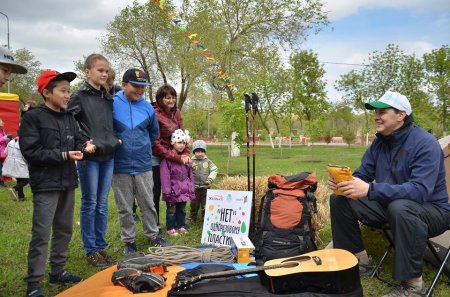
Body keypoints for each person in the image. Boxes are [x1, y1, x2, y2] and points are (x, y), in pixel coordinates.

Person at [327, 91, 450, 297]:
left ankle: (413, 286)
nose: (376, 116)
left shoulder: (425, 143)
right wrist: (346, 183)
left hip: (434, 212)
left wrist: (370, 189)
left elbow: (419, 191)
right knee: (340, 199)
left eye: (382, 111)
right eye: (376, 112)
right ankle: (358, 262)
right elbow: (363, 175)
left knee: (400, 206)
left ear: (401, 115)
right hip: (392, 206)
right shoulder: (379, 142)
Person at [20, 70, 96, 297]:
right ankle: (34, 285)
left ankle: (58, 272)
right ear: (46, 92)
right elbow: (31, 151)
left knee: (64, 230)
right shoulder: (33, 118)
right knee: (41, 234)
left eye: (68, 90)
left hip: (68, 183)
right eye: (63, 91)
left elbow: (79, 139)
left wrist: (87, 145)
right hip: (45, 185)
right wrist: (64, 155)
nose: (67, 95)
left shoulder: (69, 118)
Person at [68, 53, 121, 268]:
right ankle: (91, 250)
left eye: (106, 70)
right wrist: (83, 142)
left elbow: (111, 122)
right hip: (90, 158)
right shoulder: (78, 96)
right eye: (100, 70)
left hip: (108, 155)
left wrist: (115, 139)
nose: (104, 73)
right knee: (89, 203)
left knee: (102, 204)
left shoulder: (107, 96)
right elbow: (68, 122)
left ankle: (101, 246)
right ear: (87, 71)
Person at [112, 68, 170, 255]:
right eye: (135, 86)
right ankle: (129, 241)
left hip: (143, 164)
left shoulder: (147, 108)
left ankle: (153, 235)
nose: (139, 90)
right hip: (119, 166)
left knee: (148, 203)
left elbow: (154, 133)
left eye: (142, 87)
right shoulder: (111, 104)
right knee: (125, 207)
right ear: (123, 85)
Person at [152, 84, 190, 230]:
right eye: (168, 97)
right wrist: (174, 156)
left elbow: (183, 134)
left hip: (176, 154)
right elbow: (155, 143)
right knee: (156, 190)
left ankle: (177, 221)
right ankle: (155, 225)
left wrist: (185, 152)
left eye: (173, 97)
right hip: (157, 155)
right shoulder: (154, 114)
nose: (171, 100)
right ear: (160, 99)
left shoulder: (177, 113)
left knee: (178, 185)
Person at [161, 129, 195, 236]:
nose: (181, 145)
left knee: (182, 209)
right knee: (171, 210)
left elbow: (190, 175)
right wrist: (167, 191)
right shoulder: (167, 160)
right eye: (179, 142)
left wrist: (191, 188)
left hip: (183, 190)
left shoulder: (186, 159)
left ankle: (181, 225)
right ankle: (170, 227)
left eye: (184, 143)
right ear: (173, 142)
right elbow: (165, 176)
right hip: (172, 190)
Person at [189, 139, 218, 224]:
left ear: (205, 152)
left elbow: (214, 169)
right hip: (194, 188)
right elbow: (187, 172)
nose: (200, 153)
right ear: (194, 152)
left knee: (205, 204)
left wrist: (210, 179)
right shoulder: (190, 161)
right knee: (194, 203)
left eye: (202, 151)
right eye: (197, 151)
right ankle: (192, 217)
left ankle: (206, 218)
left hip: (205, 187)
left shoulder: (208, 162)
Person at [2, 133, 28, 201]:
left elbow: (5, 152)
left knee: (19, 180)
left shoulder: (11, 142)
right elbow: (25, 156)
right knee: (26, 180)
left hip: (11, 163)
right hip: (19, 163)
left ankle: (21, 198)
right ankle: (14, 189)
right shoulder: (23, 143)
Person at [0, 118, 12, 187]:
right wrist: (5, 137)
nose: (2, 122)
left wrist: (8, 139)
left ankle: (1, 182)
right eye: (1, 121)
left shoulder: (2, 130)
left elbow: (4, 140)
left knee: (1, 167)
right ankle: (0, 183)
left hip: (2, 152)